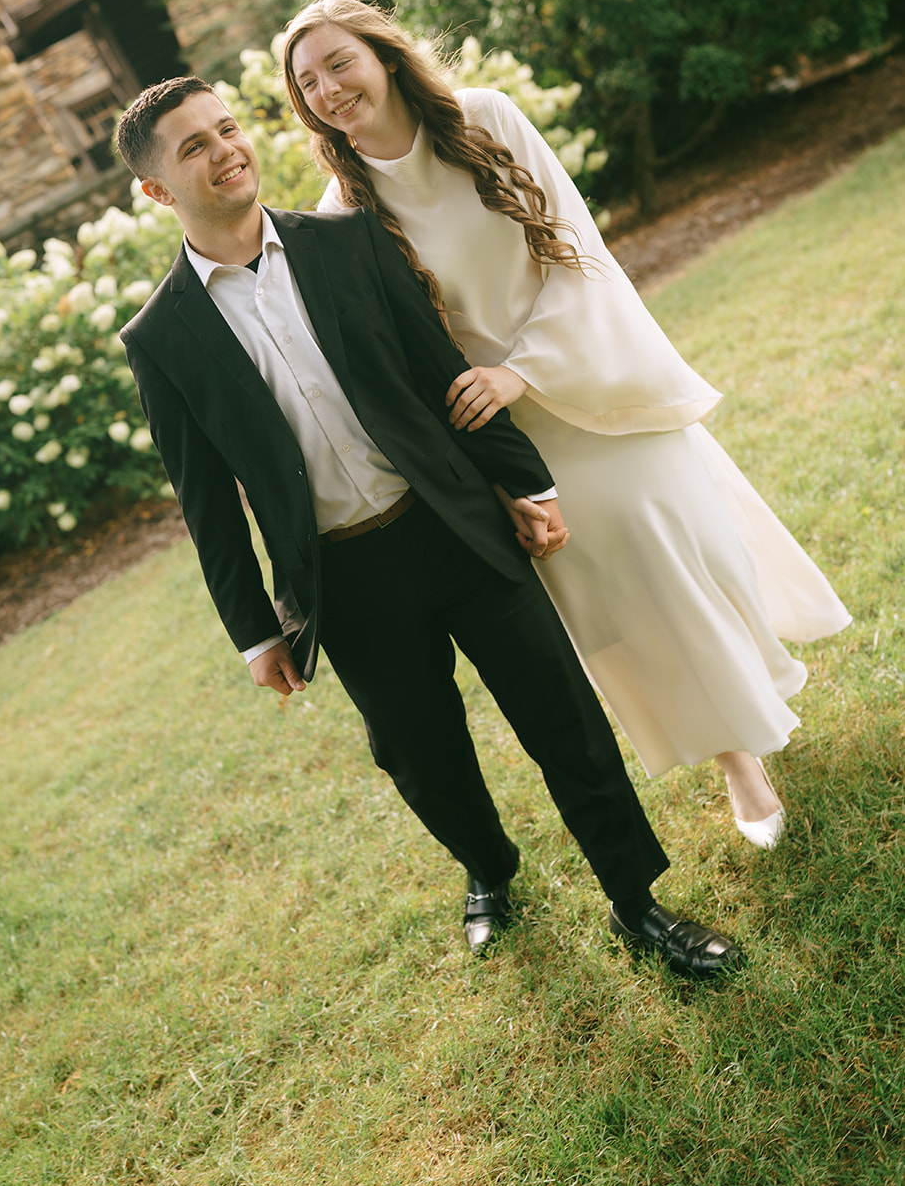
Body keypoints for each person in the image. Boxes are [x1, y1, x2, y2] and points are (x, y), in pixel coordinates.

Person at [115, 74, 745, 978]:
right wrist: (255, 631)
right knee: (420, 758)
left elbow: (442, 370)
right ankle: (488, 870)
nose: (226, 152)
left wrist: (524, 485)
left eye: (227, 129)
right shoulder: (162, 337)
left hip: (452, 525)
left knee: (560, 716)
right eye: (194, 148)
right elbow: (204, 496)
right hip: (344, 579)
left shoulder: (347, 244)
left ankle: (636, 900)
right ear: (155, 190)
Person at [281, 0, 851, 849]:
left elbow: (575, 250)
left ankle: (750, 691)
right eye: (307, 82)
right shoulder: (342, 214)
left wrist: (523, 369)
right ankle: (740, 762)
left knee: (689, 553)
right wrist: (491, 438)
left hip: (591, 369)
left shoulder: (488, 121)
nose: (328, 88)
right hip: (509, 439)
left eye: (339, 63)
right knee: (620, 605)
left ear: (384, 56)